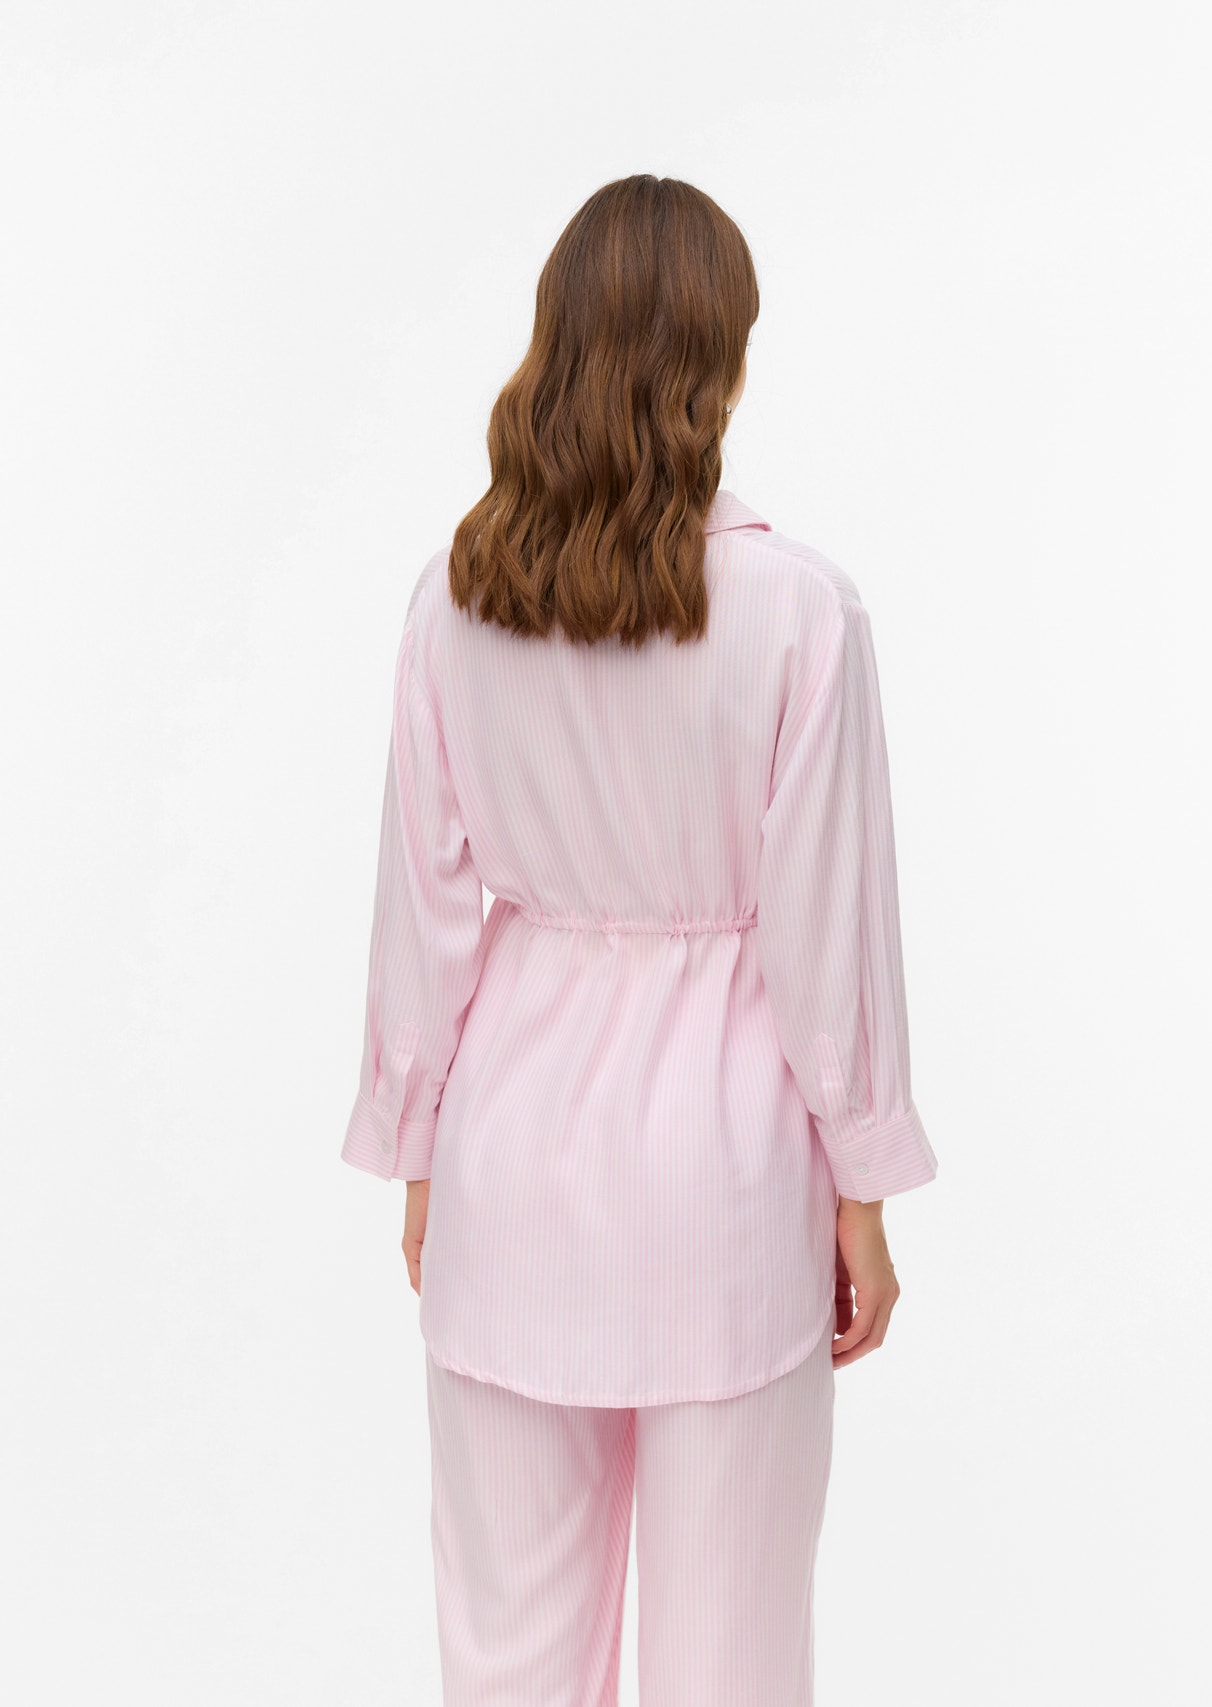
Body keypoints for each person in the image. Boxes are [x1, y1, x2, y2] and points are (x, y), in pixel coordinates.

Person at [339, 173, 939, 1707]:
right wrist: (863, 1189)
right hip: (723, 1180)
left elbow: (421, 910)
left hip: (509, 1160)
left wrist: (419, 1147)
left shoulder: (454, 599)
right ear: (718, 359)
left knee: (507, 1656)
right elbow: (830, 933)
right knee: (729, 1657)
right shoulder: (799, 610)